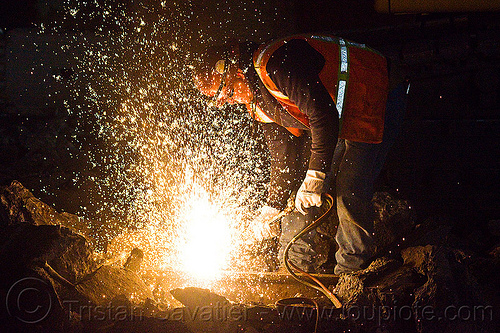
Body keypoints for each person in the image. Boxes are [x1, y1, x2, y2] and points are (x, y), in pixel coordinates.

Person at [192, 34, 408, 275]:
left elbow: (323, 116)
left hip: (375, 91)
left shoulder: (275, 65)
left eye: (229, 92)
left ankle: (351, 273)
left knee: (350, 189)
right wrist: (272, 206)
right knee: (303, 188)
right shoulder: (257, 99)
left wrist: (315, 176)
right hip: (341, 116)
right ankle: (293, 269)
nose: (231, 101)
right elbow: (283, 156)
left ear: (236, 73)